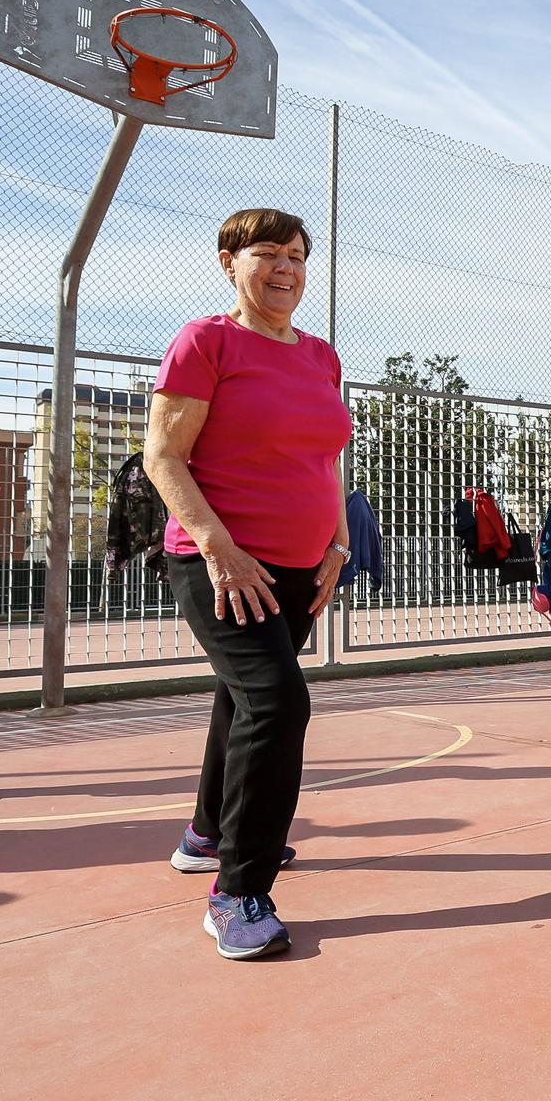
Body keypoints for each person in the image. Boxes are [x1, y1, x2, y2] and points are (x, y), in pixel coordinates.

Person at [145, 208, 354, 960]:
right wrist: (217, 546)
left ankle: (207, 834)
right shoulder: (206, 342)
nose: (286, 268)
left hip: (301, 566)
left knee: (242, 699)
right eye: (268, 253)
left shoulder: (321, 356)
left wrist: (338, 540)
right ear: (229, 261)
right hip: (222, 565)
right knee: (277, 700)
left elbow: (324, 460)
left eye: (297, 255)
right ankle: (237, 890)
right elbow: (162, 456)